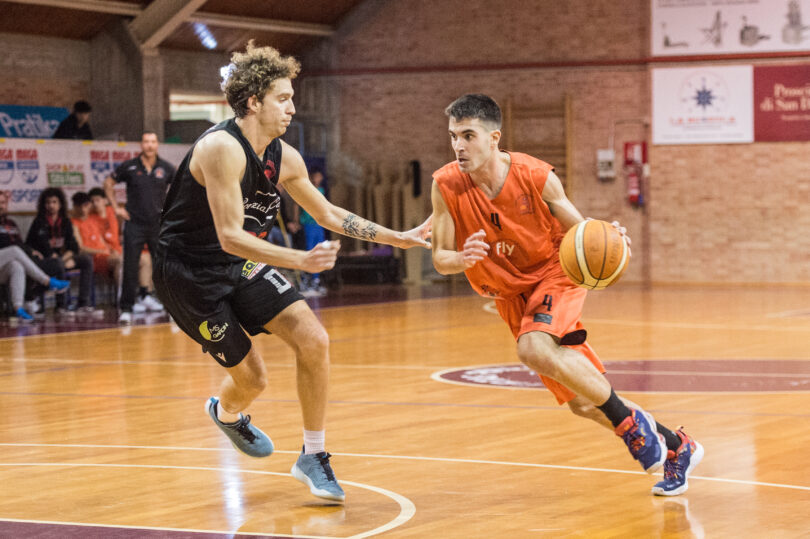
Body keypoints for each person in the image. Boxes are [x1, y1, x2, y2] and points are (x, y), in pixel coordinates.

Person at [152, 41, 429, 503]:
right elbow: (230, 236)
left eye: (292, 98)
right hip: (189, 275)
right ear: (253, 102)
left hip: (238, 264)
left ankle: (313, 455)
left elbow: (328, 214)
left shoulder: (284, 157)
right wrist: (300, 260)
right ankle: (226, 413)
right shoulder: (220, 148)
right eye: (283, 98)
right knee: (254, 380)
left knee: (314, 339)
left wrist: (397, 237)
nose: (292, 108)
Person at [429, 94, 702, 497]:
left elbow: (582, 230)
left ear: (494, 138)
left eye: (468, 135)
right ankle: (678, 445)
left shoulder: (536, 176)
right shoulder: (446, 185)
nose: (459, 145)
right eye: (454, 136)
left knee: (532, 348)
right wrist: (461, 257)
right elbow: (440, 258)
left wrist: (609, 238)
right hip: (511, 294)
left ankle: (630, 426)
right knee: (582, 400)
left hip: (555, 274)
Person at [104, 131, 175, 324]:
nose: (149, 145)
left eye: (153, 142)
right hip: (134, 223)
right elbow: (108, 183)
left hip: (157, 224)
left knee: (163, 267)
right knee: (130, 266)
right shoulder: (130, 166)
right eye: (146, 142)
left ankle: (172, 308)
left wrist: (172, 209)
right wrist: (116, 207)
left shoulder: (166, 168)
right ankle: (126, 308)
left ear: (157, 144)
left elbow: (181, 187)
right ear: (141, 145)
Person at [0, 191, 70, 319]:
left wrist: (31, 250)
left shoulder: (11, 224)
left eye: (3, 203)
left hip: (4, 264)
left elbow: (21, 243)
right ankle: (47, 281)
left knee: (16, 266)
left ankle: (18, 308)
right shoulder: (39, 222)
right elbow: (8, 245)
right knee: (14, 250)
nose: (1, 206)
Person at [25, 188, 95, 313]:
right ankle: (61, 306)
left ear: (60, 204)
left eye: (54, 202)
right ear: (43, 205)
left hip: (61, 258)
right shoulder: (39, 222)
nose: (51, 205)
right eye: (48, 202)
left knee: (86, 260)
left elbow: (73, 246)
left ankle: (83, 303)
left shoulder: (65, 221)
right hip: (43, 261)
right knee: (58, 264)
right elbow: (44, 248)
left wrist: (66, 258)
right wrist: (61, 261)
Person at [71, 191, 122, 296]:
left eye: (85, 205)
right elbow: (80, 248)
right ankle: (122, 298)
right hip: (92, 258)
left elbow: (101, 240)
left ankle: (134, 296)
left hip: (105, 255)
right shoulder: (73, 223)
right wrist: (102, 251)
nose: (83, 209)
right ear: (75, 207)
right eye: (79, 206)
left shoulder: (93, 219)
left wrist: (111, 250)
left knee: (127, 259)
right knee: (119, 261)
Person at [299, 168, 327, 293]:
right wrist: (296, 220)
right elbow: (297, 205)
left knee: (319, 250)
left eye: (320, 177)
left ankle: (316, 279)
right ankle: (306, 279)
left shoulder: (321, 190)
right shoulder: (305, 189)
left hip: (318, 224)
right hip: (308, 224)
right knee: (310, 250)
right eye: (316, 176)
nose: (318, 179)